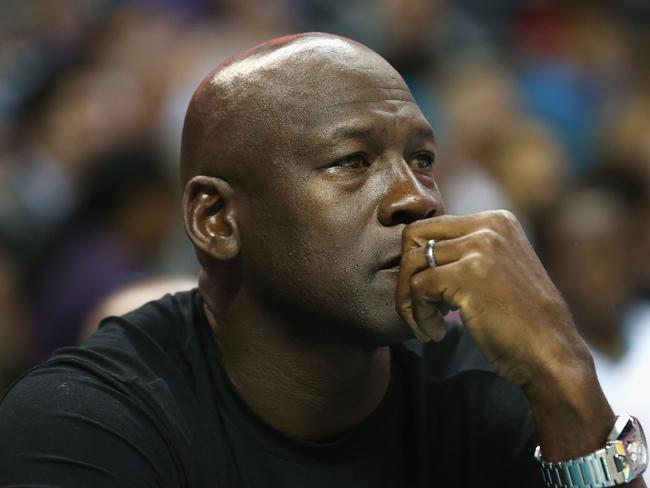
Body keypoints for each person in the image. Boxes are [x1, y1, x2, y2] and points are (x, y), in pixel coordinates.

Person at [0, 33, 646, 488]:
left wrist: (564, 377)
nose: (415, 199)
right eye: (353, 162)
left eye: (422, 160)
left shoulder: (481, 389)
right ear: (216, 220)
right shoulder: (86, 423)